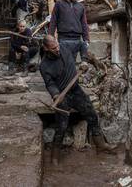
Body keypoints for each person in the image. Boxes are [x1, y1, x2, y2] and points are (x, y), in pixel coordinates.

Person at [39, 35, 116, 165]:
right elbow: (50, 84)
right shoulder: (44, 66)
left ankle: (101, 145)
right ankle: (55, 154)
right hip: (62, 95)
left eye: (57, 45)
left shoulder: (65, 46)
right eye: (53, 48)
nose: (57, 49)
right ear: (46, 48)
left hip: (75, 90)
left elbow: (82, 44)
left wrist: (84, 60)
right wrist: (56, 95)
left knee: (91, 114)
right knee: (61, 125)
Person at [49, 0, 89, 66]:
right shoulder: (59, 4)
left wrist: (86, 39)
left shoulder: (80, 7)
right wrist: (50, 37)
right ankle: (64, 77)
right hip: (63, 39)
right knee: (64, 62)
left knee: (72, 63)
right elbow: (53, 21)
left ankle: (71, 77)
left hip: (76, 39)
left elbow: (84, 24)